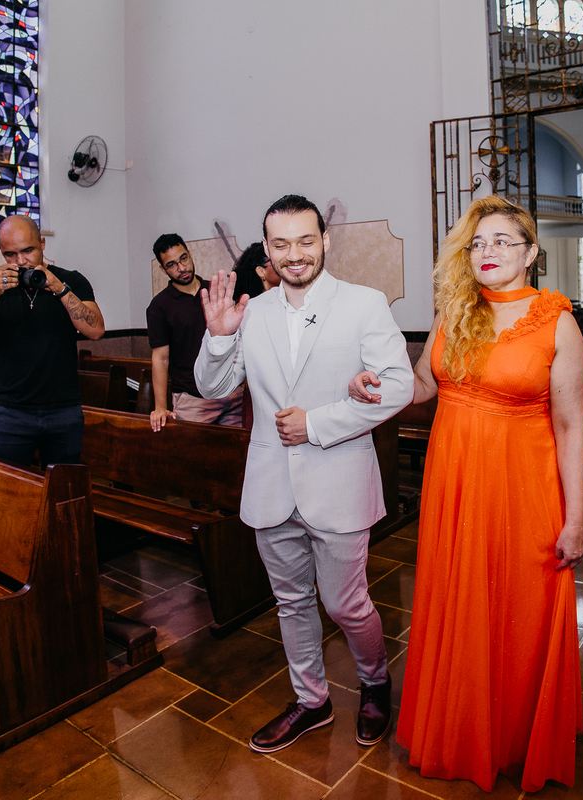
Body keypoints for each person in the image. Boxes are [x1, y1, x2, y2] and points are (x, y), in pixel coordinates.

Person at [350, 195, 583, 791]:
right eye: (478, 243)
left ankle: (513, 735)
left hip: (522, 487)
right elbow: (423, 384)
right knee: (458, 600)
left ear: (531, 253)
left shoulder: (556, 322)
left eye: (502, 240)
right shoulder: (455, 311)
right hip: (453, 482)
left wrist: (576, 518)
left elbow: (569, 426)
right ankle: (459, 728)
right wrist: (375, 386)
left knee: (517, 608)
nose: (487, 251)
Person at [195, 194, 412, 753]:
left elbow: (399, 386)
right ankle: (311, 700)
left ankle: (374, 682)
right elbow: (213, 387)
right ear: (267, 251)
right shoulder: (253, 311)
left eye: (306, 240)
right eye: (282, 244)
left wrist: (315, 424)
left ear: (325, 241)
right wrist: (219, 337)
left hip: (338, 480)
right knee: (290, 602)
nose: (295, 254)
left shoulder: (363, 304)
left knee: (345, 604)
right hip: (271, 484)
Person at [0, 215, 104, 466]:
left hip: (64, 409)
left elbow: (96, 330)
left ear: (42, 244)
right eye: (10, 254)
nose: (21, 261)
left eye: (28, 250)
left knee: (64, 486)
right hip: (11, 411)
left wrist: (59, 289)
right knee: (5, 486)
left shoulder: (71, 280)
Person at [146, 234, 244, 431]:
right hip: (193, 399)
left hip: (231, 394)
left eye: (183, 258)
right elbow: (161, 358)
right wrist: (160, 407)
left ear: (190, 255)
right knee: (191, 450)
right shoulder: (159, 306)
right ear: (163, 269)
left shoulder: (215, 292)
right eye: (172, 265)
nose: (181, 268)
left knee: (239, 449)